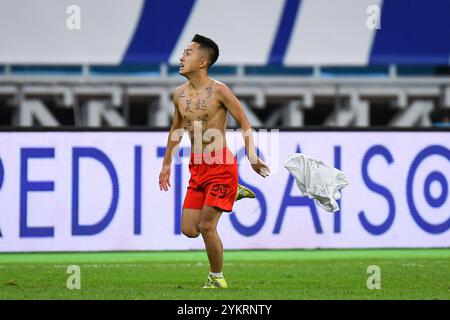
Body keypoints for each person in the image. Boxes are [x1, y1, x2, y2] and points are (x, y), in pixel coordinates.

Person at [159, 34, 270, 289]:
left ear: (203, 62)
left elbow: (244, 120)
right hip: (197, 167)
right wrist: (166, 164)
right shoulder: (178, 95)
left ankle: (217, 277)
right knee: (189, 229)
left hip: (221, 166)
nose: (181, 57)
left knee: (207, 226)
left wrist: (252, 156)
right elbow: (176, 128)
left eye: (188, 53)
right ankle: (232, 194)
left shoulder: (220, 90)